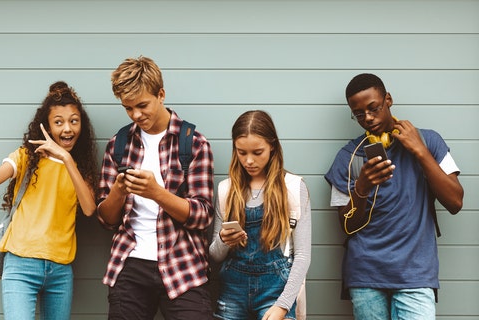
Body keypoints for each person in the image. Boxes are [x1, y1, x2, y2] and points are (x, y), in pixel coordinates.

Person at [0, 81, 99, 320]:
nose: (67, 129)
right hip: (21, 264)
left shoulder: (81, 169)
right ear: (47, 126)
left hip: (61, 270)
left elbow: (90, 209)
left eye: (74, 120)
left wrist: (66, 158)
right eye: (58, 122)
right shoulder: (25, 157)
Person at [324, 73, 464, 320]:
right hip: (365, 275)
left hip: (416, 273)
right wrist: (362, 188)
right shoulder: (349, 157)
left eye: (373, 108)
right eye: (358, 114)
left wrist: (420, 152)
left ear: (388, 99)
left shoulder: (429, 141)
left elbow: (455, 202)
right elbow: (346, 225)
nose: (367, 118)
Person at [96, 56, 215, 319]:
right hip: (130, 264)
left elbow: (203, 216)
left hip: (183, 264)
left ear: (160, 94)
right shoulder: (118, 145)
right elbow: (106, 220)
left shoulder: (194, 144)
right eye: (128, 108)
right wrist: (118, 191)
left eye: (142, 105)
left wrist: (156, 193)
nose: (136, 115)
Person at [209, 110, 311, 320]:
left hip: (275, 290)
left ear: (272, 146)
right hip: (232, 290)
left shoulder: (292, 187)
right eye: (241, 152)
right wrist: (223, 240)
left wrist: (282, 306)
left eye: (257, 152)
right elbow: (215, 255)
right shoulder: (226, 190)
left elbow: (302, 256)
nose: (249, 161)